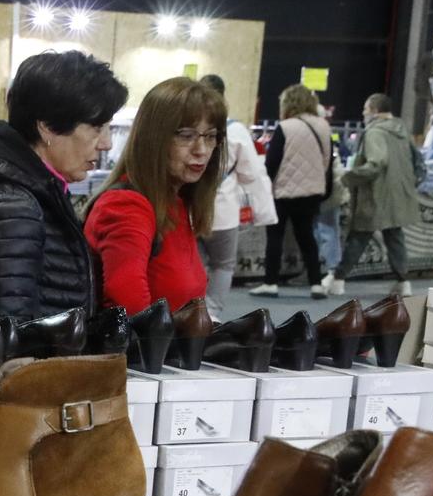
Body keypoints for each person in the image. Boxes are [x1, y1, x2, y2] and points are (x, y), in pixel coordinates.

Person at [0, 49, 127, 325]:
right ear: (47, 127)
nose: (106, 143)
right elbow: (6, 338)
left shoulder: (30, 191)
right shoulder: (11, 206)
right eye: (96, 127)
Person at [85, 76, 220, 314]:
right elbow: (130, 308)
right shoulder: (127, 205)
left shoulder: (176, 201)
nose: (201, 150)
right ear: (155, 139)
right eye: (186, 136)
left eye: (209, 136)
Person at [325, 91, 422, 295]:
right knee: (395, 237)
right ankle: (403, 282)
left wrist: (348, 176)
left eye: (366, 109)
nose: (363, 113)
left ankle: (338, 280)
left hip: (376, 195)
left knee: (358, 236)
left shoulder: (374, 133)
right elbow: (417, 161)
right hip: (399, 193)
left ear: (375, 111)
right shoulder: (402, 130)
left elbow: (376, 163)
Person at [196, 73, 273, 319]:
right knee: (223, 265)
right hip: (224, 211)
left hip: (191, 208)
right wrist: (264, 213)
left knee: (193, 263)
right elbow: (252, 173)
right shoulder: (236, 130)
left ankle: (189, 310)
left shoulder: (186, 126)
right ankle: (214, 313)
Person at [252, 84, 332, 299]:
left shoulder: (285, 127)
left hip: (284, 192)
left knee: (275, 236)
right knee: (307, 237)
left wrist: (265, 185)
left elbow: (272, 162)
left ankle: (270, 283)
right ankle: (316, 283)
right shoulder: (324, 126)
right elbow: (328, 161)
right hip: (313, 191)